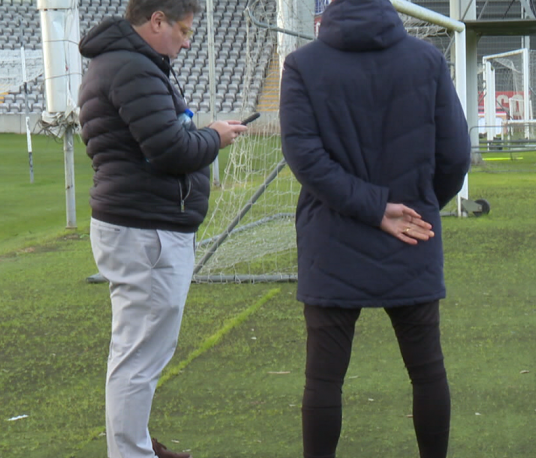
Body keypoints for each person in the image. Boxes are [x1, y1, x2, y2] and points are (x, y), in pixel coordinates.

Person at [279, 0, 471, 456]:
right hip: (412, 233)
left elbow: (304, 157)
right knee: (427, 371)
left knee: (323, 378)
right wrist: (411, 209)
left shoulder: (302, 65)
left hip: (332, 237)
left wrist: (376, 209)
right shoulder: (426, 60)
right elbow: (456, 155)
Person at [77, 0, 249, 457]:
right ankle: (131, 452)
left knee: (135, 351)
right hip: (145, 230)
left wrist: (204, 134)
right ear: (157, 21)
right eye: (184, 30)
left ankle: (134, 444)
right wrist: (214, 136)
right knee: (139, 357)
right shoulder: (132, 68)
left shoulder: (122, 64)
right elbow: (170, 150)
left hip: (138, 225)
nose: (188, 41)